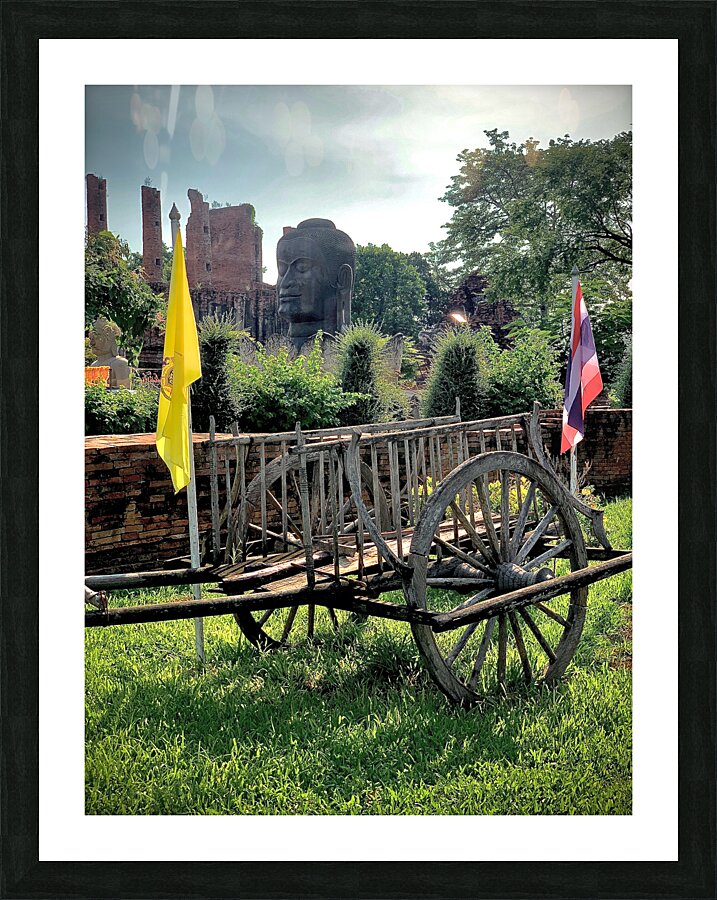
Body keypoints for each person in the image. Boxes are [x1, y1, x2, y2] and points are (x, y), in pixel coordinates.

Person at [276, 218, 355, 351]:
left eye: (302, 267)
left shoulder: (354, 357)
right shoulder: (273, 357)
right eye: (282, 270)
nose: (285, 282)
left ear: (343, 280)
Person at [88, 317, 131, 389]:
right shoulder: (94, 365)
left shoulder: (120, 364)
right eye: (91, 339)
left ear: (110, 339)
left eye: (96, 338)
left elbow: (124, 390)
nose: (91, 343)